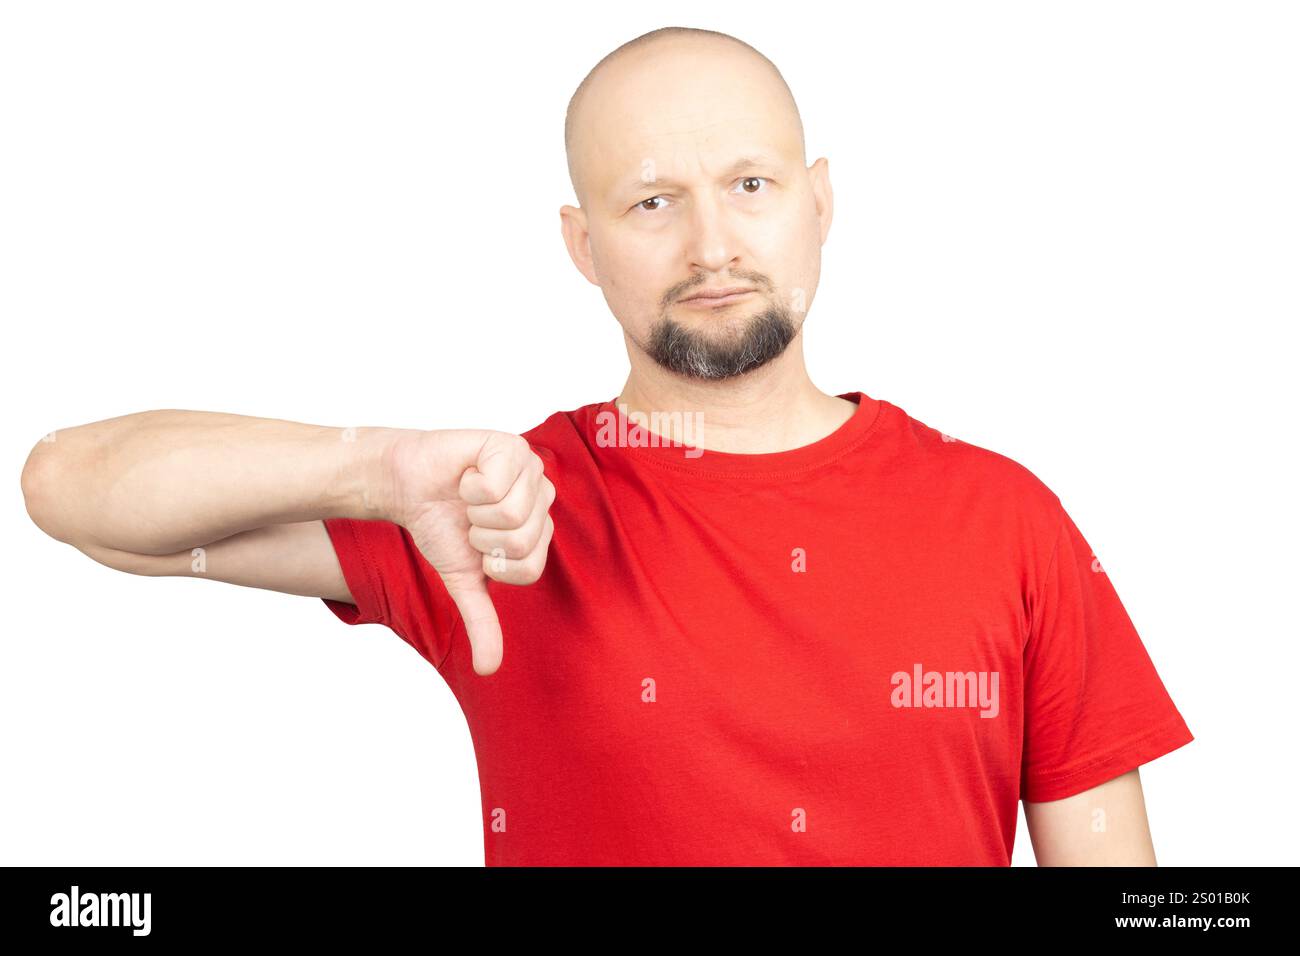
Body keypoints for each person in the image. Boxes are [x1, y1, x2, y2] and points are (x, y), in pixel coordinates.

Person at [20, 26, 1193, 866]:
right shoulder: (494, 508)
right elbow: (72, 489)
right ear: (580, 244)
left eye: (748, 183)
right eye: (650, 202)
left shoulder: (1003, 516)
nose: (711, 243)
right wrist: (372, 467)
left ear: (818, 201)